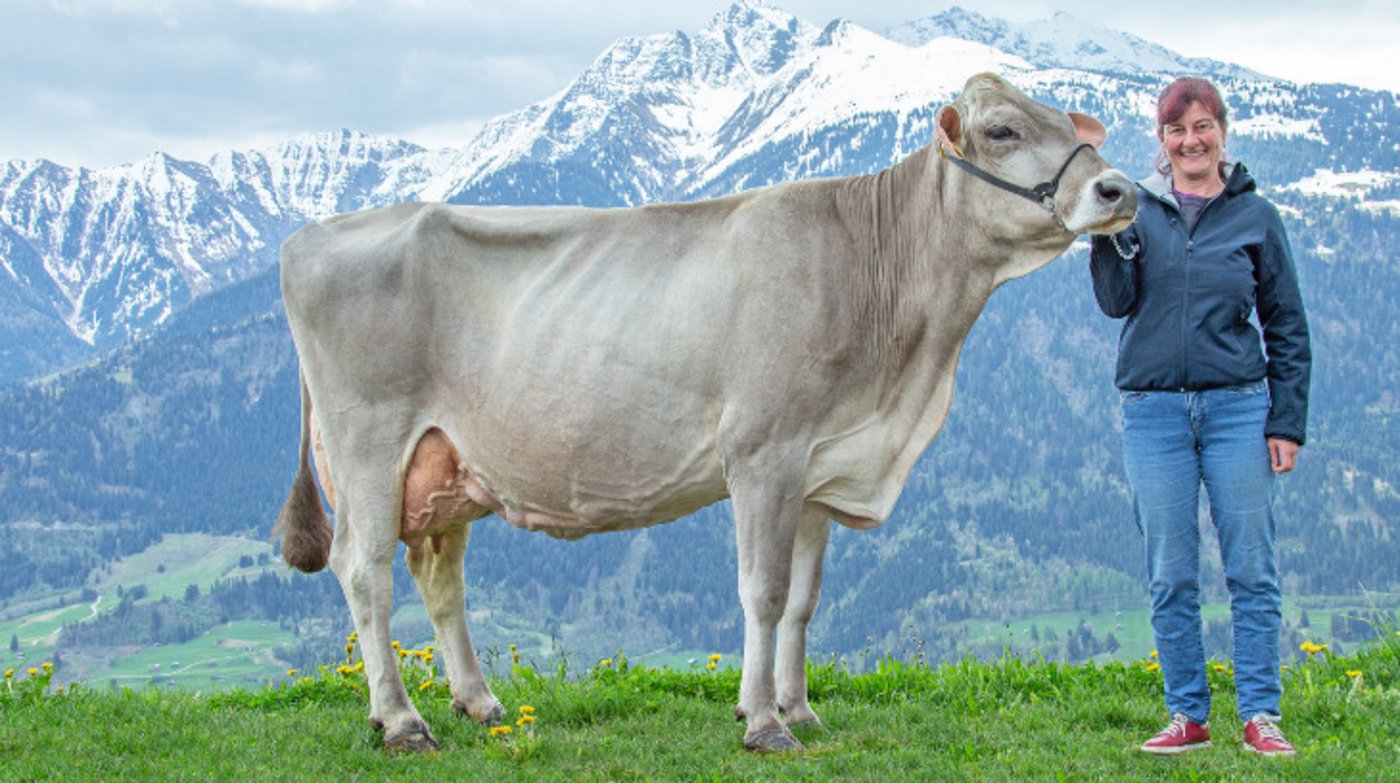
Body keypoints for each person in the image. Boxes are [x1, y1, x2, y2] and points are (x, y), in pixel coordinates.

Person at [1089, 76, 1311, 757]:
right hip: (1152, 412)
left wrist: (1286, 421)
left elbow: (1287, 326)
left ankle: (1260, 716)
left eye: (1203, 127)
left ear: (1222, 134)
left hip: (1239, 410)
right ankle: (1187, 713)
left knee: (1251, 567)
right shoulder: (1137, 211)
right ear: (1162, 141)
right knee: (1170, 571)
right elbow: (1115, 302)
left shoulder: (1256, 217)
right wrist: (1108, 237)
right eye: (1177, 130)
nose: (1191, 140)